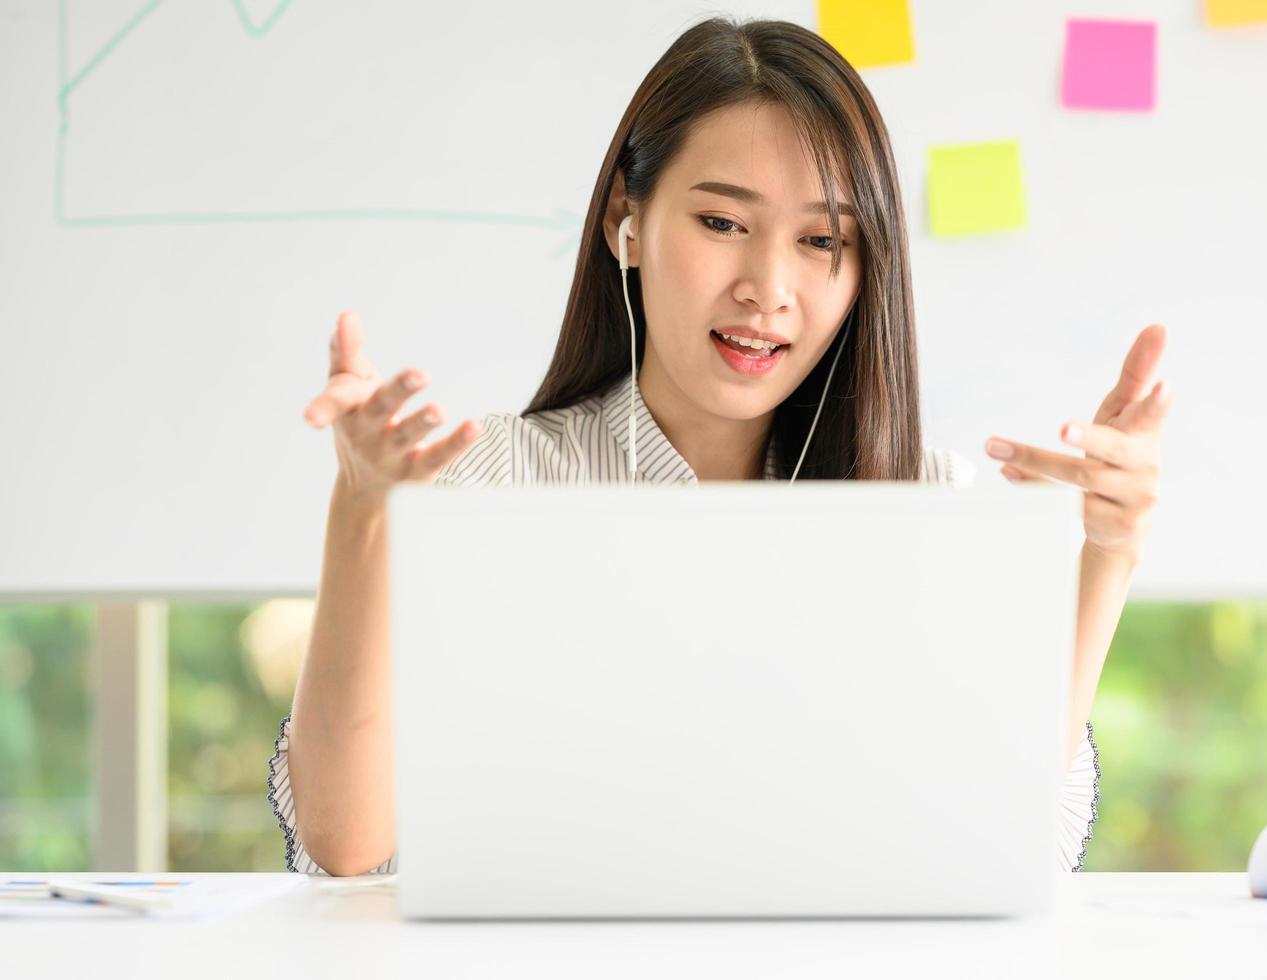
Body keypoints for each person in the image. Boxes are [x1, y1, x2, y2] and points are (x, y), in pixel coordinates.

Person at [269, 16, 1170, 878]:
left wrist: (1107, 553)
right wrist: (364, 507)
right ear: (627, 219)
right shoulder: (492, 479)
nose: (767, 288)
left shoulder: (914, 499)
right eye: (722, 223)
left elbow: (1006, 835)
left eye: (822, 240)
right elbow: (348, 844)